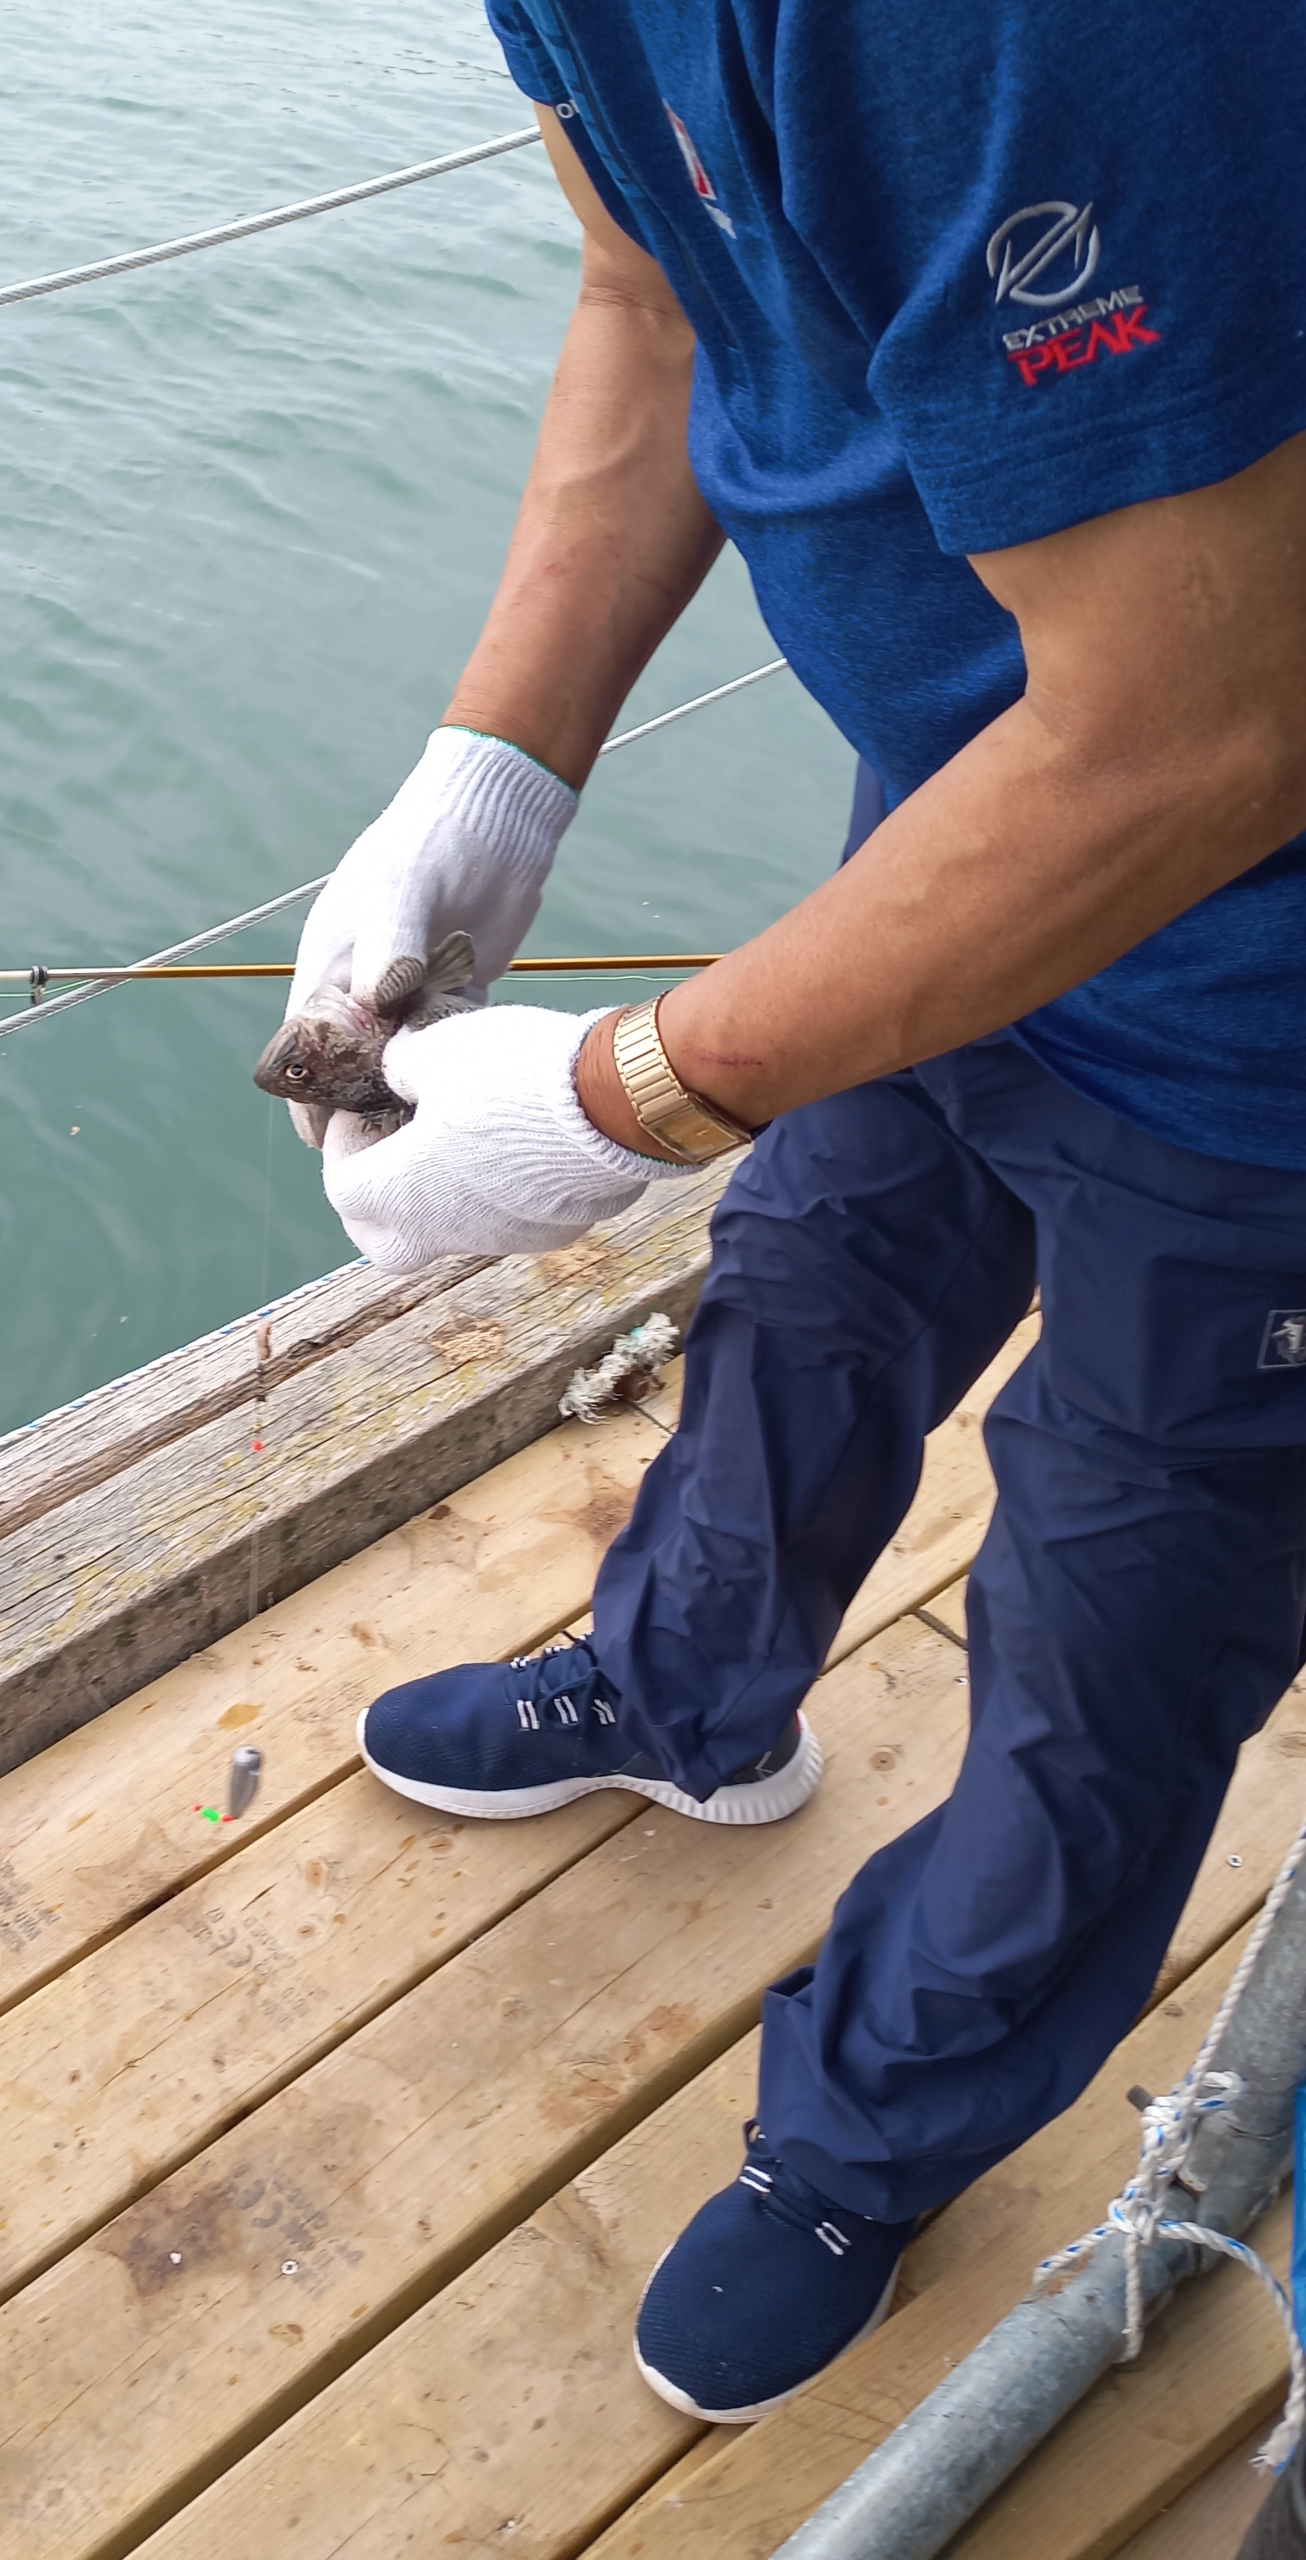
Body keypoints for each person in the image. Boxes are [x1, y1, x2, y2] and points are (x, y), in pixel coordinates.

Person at [280, 0, 1306, 2424]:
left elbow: (1207, 719)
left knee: (1117, 1614)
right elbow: (656, 290)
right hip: (965, 799)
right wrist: (495, 765)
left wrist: (628, 1089)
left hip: (1256, 998)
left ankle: (870, 2130)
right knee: (815, 1280)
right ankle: (684, 1688)